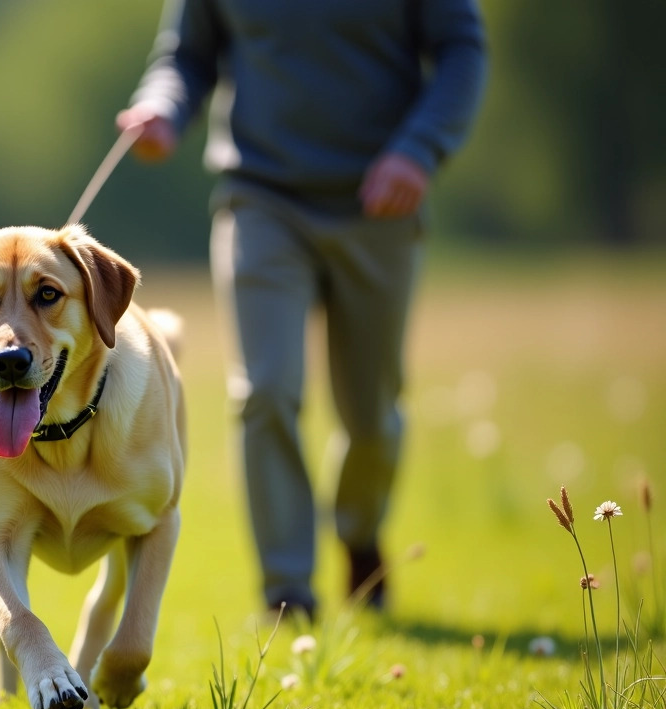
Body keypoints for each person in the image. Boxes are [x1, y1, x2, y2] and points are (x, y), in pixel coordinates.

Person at [118, 0, 486, 617]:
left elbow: (462, 51)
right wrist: (163, 107)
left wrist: (419, 149)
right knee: (265, 390)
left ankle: (361, 532)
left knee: (371, 414)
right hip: (261, 199)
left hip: (381, 199)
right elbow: (185, 57)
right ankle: (287, 592)